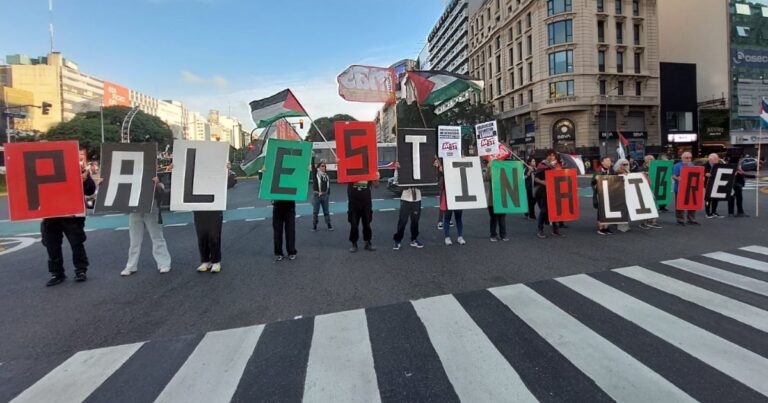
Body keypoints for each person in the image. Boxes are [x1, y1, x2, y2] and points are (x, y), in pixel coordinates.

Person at [42, 166, 96, 286]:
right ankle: (56, 273)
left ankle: (81, 270)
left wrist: (85, 179)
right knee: (51, 245)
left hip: (72, 215)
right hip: (50, 214)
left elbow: (90, 190)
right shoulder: (41, 168)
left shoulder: (75, 167)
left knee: (76, 243)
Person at [121, 176, 172, 276]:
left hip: (151, 205)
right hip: (135, 207)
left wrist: (157, 184)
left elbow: (162, 190)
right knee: (134, 240)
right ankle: (131, 266)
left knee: (157, 237)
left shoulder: (154, 171)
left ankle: (164, 263)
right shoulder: (130, 171)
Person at [534, 150, 564, 239]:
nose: (551, 157)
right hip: (544, 192)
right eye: (549, 155)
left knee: (555, 210)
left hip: (555, 191)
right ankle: (540, 230)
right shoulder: (542, 165)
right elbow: (536, 179)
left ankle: (555, 230)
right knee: (543, 210)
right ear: (546, 156)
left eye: (553, 155)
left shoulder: (558, 166)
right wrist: (543, 182)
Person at [436, 157, 466, 245]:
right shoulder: (442, 172)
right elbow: (440, 186)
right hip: (448, 198)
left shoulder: (458, 171)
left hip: (458, 197)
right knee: (447, 219)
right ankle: (447, 237)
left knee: (458, 218)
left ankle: (460, 236)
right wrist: (442, 173)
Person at [347, 176, 376, 252]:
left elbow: (376, 185)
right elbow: (342, 178)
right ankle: (354, 243)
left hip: (366, 201)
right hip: (353, 201)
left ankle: (368, 242)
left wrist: (376, 177)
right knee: (354, 223)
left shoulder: (369, 170)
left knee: (367, 223)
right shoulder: (351, 168)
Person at [393, 182, 424, 250]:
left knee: (415, 220)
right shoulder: (400, 171)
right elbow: (396, 182)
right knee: (403, 220)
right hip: (405, 199)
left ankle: (414, 239)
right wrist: (404, 185)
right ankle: (397, 240)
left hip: (417, 199)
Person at [672, 151, 699, 226]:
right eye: (687, 158)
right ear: (682, 158)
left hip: (691, 188)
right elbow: (673, 176)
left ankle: (691, 219)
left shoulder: (692, 165)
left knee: (692, 204)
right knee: (680, 205)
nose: (689, 159)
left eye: (690, 158)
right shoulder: (677, 165)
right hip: (679, 188)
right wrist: (678, 178)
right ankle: (680, 220)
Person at [485, 161, 508, 242]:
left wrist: (519, 165)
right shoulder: (491, 172)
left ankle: (503, 235)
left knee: (502, 218)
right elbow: (486, 178)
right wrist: (489, 168)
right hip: (492, 200)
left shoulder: (505, 173)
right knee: (494, 218)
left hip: (503, 198)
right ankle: (493, 235)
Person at [638, 155, 662, 229]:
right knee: (644, 206)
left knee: (654, 205)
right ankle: (643, 222)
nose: (651, 160)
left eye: (652, 159)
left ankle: (653, 221)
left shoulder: (657, 167)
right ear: (645, 160)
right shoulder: (642, 168)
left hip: (655, 188)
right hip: (645, 189)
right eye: (649, 159)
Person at [592, 156, 614, 235]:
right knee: (601, 210)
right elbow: (592, 183)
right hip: (600, 194)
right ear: (602, 162)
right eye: (607, 160)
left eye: (610, 160)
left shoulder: (611, 170)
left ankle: (606, 227)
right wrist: (596, 179)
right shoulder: (598, 170)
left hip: (609, 193)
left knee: (608, 209)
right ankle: (601, 228)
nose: (609, 162)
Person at [311, 160, 333, 231]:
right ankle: (314, 226)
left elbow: (328, 186)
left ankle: (329, 225)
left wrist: (328, 194)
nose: (324, 167)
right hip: (317, 195)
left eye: (325, 166)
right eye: (322, 166)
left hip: (325, 195)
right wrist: (313, 157)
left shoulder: (326, 176)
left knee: (326, 211)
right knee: (315, 212)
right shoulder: (315, 174)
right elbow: (312, 165)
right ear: (319, 167)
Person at [614, 158, 632, 232]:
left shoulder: (627, 171)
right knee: (622, 209)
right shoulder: (617, 172)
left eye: (626, 164)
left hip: (626, 192)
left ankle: (620, 224)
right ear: (619, 165)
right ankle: (622, 226)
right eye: (623, 164)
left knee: (624, 209)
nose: (625, 166)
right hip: (619, 193)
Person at [704, 153, 724, 218]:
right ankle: (707, 213)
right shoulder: (705, 165)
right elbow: (700, 172)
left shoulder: (719, 165)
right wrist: (705, 174)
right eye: (715, 159)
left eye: (717, 158)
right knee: (708, 198)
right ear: (710, 159)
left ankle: (714, 212)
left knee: (716, 198)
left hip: (717, 183)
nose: (717, 160)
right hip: (708, 184)